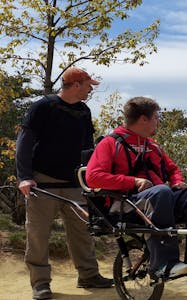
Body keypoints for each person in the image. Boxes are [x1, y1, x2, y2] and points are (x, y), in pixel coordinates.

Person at [16, 67, 113, 300]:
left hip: (75, 181)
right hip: (43, 181)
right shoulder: (44, 106)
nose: (90, 89)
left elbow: (88, 148)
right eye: (88, 85)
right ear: (76, 84)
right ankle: (40, 283)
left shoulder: (83, 111)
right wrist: (24, 176)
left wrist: (93, 174)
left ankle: (88, 275)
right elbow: (25, 141)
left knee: (81, 231)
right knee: (38, 233)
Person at [85, 96, 187, 279]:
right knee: (161, 192)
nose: (157, 122)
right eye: (156, 118)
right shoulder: (110, 143)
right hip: (124, 205)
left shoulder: (152, 146)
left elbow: (172, 169)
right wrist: (132, 181)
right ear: (143, 119)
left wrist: (176, 181)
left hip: (158, 200)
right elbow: (93, 177)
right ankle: (164, 264)